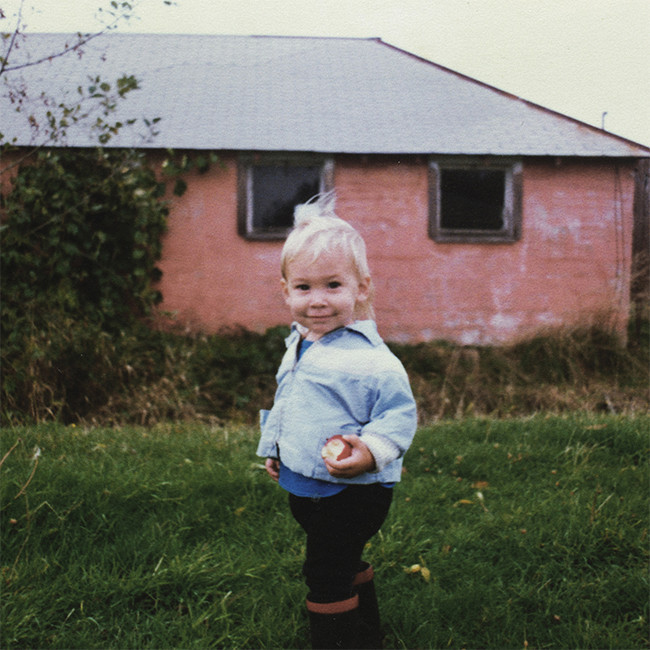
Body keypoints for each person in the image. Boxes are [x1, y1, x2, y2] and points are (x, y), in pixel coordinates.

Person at [257, 195, 418, 649]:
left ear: (361, 288)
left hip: (353, 492)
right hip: (308, 484)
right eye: (304, 288)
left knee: (325, 572)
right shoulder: (301, 342)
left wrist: (368, 452)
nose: (318, 301)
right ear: (285, 290)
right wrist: (276, 446)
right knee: (342, 559)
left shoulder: (372, 361)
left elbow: (399, 416)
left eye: (333, 285)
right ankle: (367, 635)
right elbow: (289, 399)